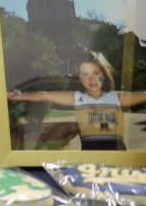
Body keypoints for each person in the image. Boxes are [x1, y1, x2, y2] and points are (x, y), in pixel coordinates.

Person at [8, 53, 146, 149]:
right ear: (79, 78)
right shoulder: (77, 98)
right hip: (89, 158)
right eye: (85, 74)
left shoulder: (116, 97)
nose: (91, 79)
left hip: (117, 155)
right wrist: (19, 96)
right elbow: (45, 95)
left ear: (103, 75)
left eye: (95, 74)